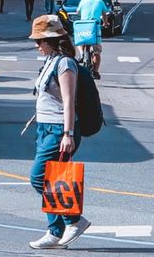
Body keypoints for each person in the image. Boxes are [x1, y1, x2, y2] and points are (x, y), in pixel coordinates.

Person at [27, 15, 91, 249]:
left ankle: (73, 221)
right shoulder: (51, 60)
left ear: (51, 40)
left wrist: (68, 134)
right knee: (51, 179)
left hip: (58, 129)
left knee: (39, 177)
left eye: (39, 41)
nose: (36, 45)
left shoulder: (65, 63)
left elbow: (68, 101)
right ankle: (55, 231)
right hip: (44, 127)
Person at [75, 0, 108, 80]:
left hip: (84, 25)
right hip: (94, 26)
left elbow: (77, 12)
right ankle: (95, 71)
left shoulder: (83, 1)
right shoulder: (100, 2)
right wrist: (105, 23)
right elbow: (104, 14)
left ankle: (81, 54)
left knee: (79, 39)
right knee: (97, 50)